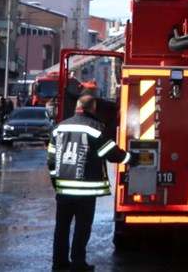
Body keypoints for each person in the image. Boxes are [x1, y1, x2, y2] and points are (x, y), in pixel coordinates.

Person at [47, 94, 133, 271]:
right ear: (93, 109)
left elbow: (51, 159)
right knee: (82, 228)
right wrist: (132, 158)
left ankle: (59, 263)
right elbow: (111, 153)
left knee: (61, 228)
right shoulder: (95, 128)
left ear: (77, 107)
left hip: (63, 190)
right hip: (85, 190)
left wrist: (56, 182)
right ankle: (78, 263)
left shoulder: (58, 128)